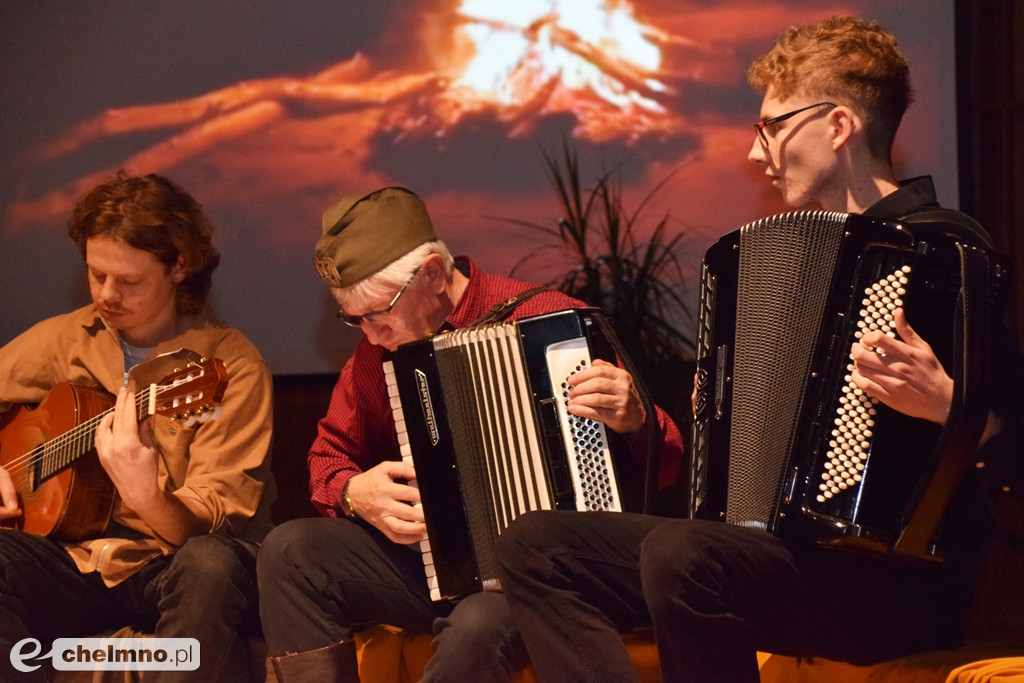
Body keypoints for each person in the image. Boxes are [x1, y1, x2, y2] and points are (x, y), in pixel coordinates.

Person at [493, 15, 1024, 683]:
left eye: (770, 127)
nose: (755, 154)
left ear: (836, 126)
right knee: (537, 545)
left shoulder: (948, 257)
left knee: (684, 556)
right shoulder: (767, 261)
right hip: (767, 560)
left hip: (891, 585)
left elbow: (1014, 443)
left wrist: (954, 408)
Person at [256, 186, 685, 681]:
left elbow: (667, 463)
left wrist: (632, 420)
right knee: (290, 553)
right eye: (354, 320)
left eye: (378, 314)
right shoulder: (375, 358)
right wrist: (355, 493)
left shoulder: (548, 320)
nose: (369, 334)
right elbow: (327, 460)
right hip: (438, 568)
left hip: (550, 581)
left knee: (477, 623)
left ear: (433, 275)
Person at [0, 172, 275, 682]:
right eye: (95, 274)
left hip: (169, 567)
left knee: (210, 564)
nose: (107, 294)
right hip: (80, 565)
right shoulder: (66, 338)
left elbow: (211, 521)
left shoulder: (225, 365)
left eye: (128, 281)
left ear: (179, 266)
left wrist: (146, 495)